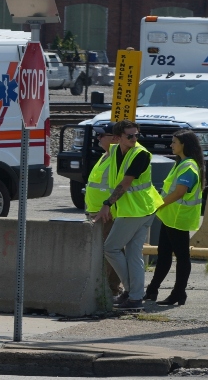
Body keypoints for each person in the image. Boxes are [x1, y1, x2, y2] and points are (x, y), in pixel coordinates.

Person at [92, 120, 163, 309]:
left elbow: (125, 183)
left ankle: (133, 293)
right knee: (133, 254)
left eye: (136, 135)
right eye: (129, 136)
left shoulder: (141, 154)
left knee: (111, 248)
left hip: (137, 211)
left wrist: (107, 204)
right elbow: (105, 143)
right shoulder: (115, 151)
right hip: (138, 209)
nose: (134, 139)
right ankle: (134, 297)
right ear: (117, 138)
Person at [145, 129, 204, 305]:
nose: (171, 145)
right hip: (170, 217)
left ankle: (178, 293)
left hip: (178, 218)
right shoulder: (181, 163)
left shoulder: (188, 166)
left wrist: (158, 204)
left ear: (184, 144)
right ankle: (152, 290)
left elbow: (179, 193)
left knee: (181, 256)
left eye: (174, 142)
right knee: (163, 255)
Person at [83, 122, 124, 298]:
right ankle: (107, 288)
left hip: (107, 212)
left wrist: (109, 206)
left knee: (111, 252)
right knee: (103, 253)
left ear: (115, 138)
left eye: (102, 135)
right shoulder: (105, 156)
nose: (98, 138)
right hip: (96, 211)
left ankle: (113, 290)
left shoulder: (116, 156)